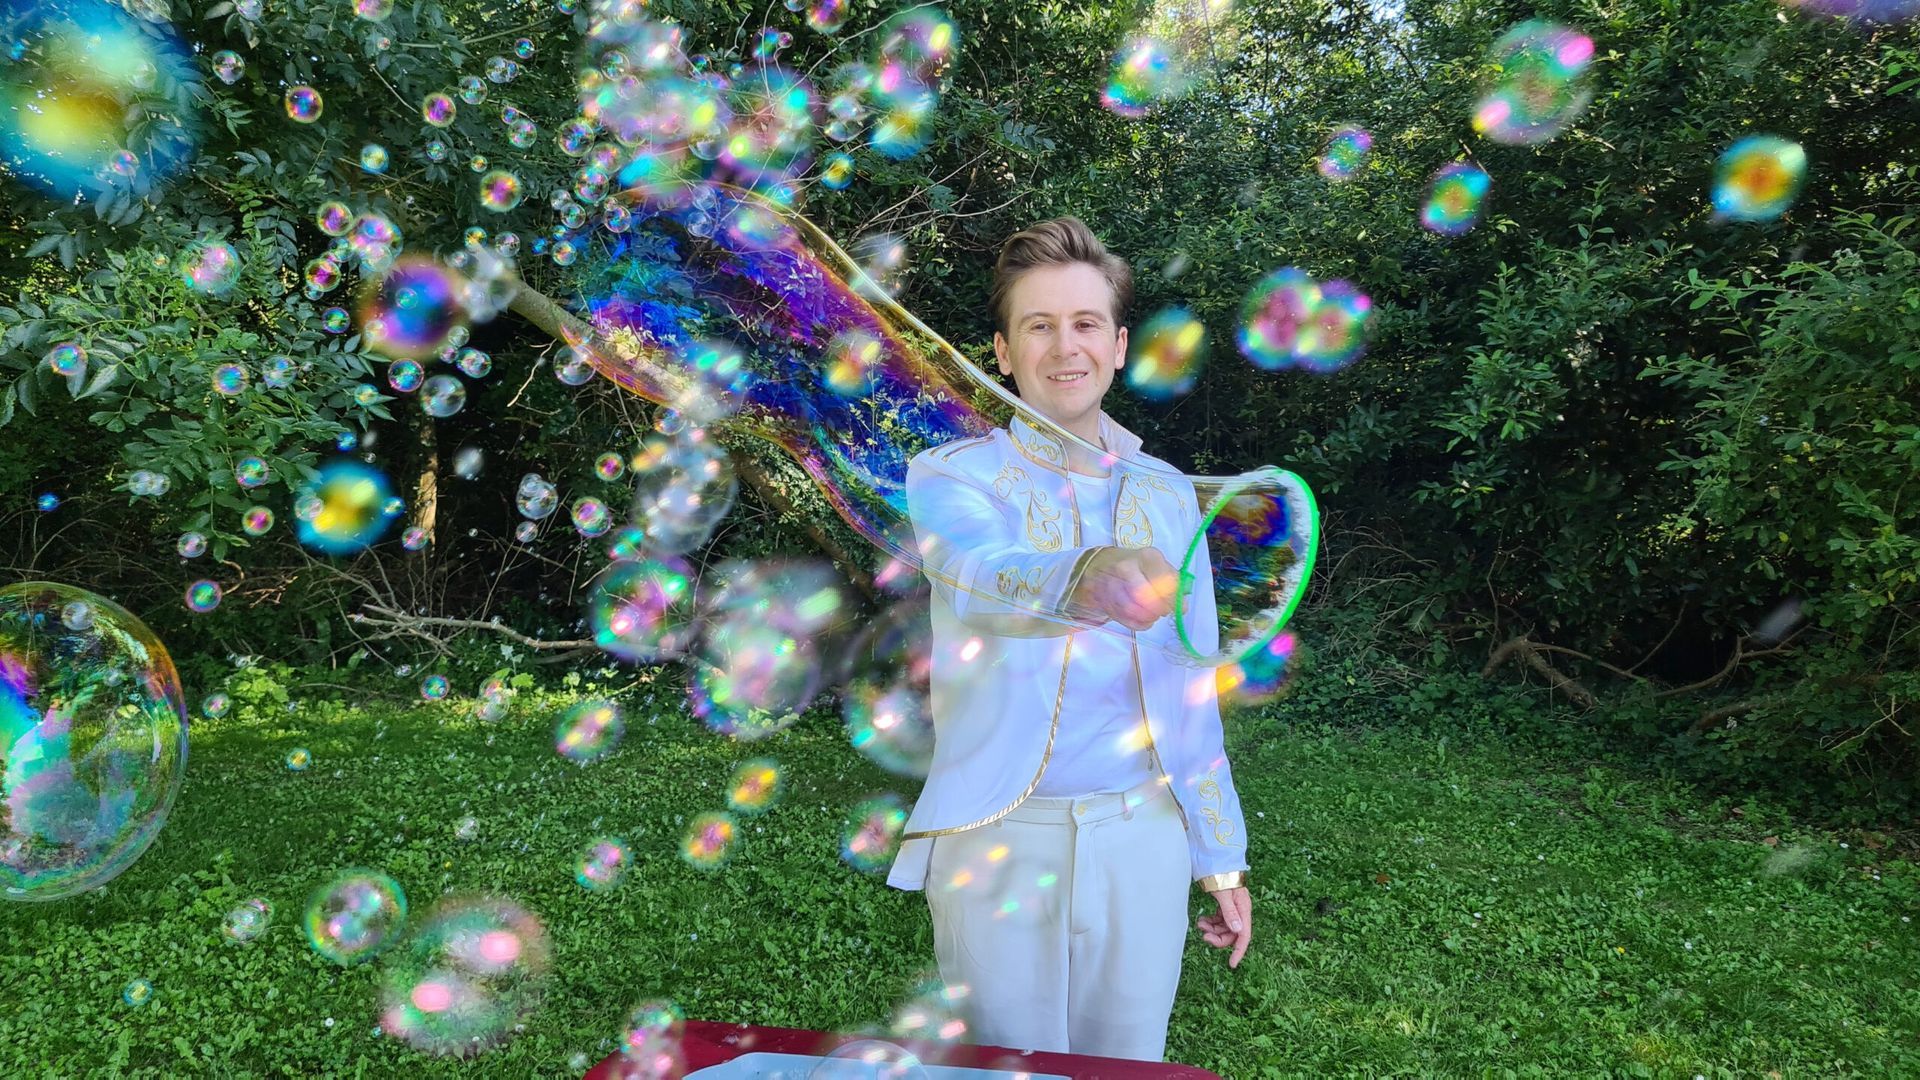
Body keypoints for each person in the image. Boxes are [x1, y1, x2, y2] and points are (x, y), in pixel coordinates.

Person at [885, 216, 1252, 1062]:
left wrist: (1220, 855)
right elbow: (980, 578)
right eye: (1038, 325)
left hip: (1144, 839)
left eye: (1086, 323)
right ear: (1004, 352)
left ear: (1118, 347)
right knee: (1007, 1070)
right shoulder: (950, 475)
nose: (1065, 347)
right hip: (999, 842)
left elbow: (1191, 684)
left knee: (1127, 1066)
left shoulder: (1168, 492)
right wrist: (1088, 573)